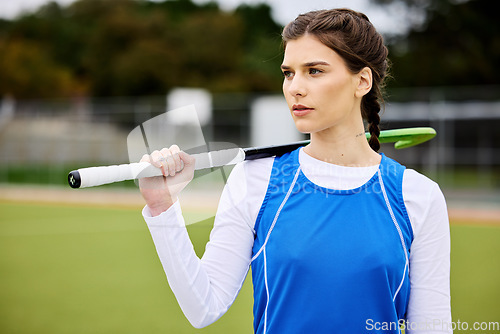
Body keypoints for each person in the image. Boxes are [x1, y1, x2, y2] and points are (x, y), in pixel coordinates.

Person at [139, 8, 452, 334]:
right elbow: (204, 307)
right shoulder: (255, 178)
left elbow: (432, 327)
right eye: (288, 73)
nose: (295, 88)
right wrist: (163, 208)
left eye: (314, 71)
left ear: (361, 80)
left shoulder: (418, 196)